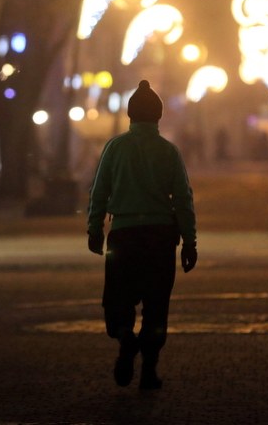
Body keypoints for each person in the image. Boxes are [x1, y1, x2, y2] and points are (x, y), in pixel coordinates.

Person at [86, 80, 198, 391]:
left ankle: (125, 337)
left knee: (117, 299)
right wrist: (190, 242)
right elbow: (184, 200)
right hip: (160, 239)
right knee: (156, 305)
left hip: (123, 237)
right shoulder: (169, 152)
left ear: (130, 115)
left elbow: (99, 192)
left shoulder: (115, 148)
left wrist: (94, 229)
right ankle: (149, 371)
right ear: (158, 116)